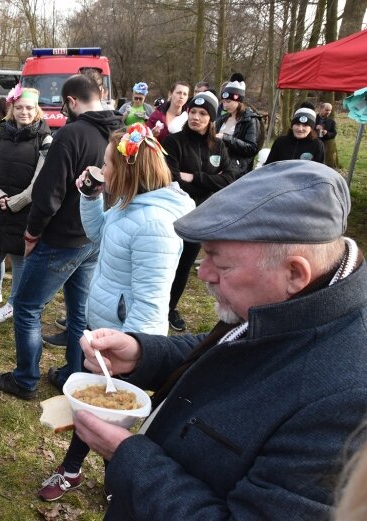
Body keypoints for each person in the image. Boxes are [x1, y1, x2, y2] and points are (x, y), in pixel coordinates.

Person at [72, 160, 367, 520]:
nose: (204, 274)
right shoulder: (303, 302)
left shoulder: (349, 402)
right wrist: (142, 354)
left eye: (221, 264)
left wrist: (129, 458)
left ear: (294, 272)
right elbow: (235, 348)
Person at [38, 123, 194, 502]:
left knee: (108, 416)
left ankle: (109, 482)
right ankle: (82, 473)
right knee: (89, 407)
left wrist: (132, 354)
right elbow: (98, 234)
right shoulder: (130, 205)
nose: (101, 170)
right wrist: (91, 197)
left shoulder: (155, 224)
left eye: (106, 166)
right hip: (105, 331)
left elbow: (151, 300)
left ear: (126, 171)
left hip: (127, 341)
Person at [0, 74, 123, 399]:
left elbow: (48, 193)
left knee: (26, 305)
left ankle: (25, 379)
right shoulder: (119, 134)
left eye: (65, 105)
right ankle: (73, 374)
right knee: (79, 312)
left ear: (72, 102)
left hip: (62, 239)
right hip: (93, 237)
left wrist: (32, 233)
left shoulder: (71, 134)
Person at [0, 86, 52, 324]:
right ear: (12, 108)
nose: (24, 112)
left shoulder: (45, 139)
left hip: (22, 209)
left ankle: (13, 303)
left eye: (29, 108)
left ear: (36, 109)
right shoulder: (0, 133)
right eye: (19, 107)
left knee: (18, 258)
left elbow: (40, 180)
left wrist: (16, 202)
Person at [163, 90, 238, 332]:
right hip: (173, 213)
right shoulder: (173, 143)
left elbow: (229, 178)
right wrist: (208, 179)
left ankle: (170, 307)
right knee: (165, 262)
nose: (196, 117)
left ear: (211, 118)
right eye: (192, 112)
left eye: (203, 113)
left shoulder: (218, 146)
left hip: (201, 214)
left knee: (185, 264)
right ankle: (156, 303)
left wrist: (195, 176)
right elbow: (172, 180)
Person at [215, 74, 262, 175]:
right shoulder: (222, 119)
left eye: (228, 101)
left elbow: (251, 148)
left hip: (236, 172)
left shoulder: (250, 120)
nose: (225, 105)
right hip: (217, 167)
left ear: (239, 101)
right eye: (223, 102)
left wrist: (225, 137)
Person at [316, 101, 338, 168]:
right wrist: (315, 128)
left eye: (330, 110)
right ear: (320, 109)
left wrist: (326, 133)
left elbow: (334, 134)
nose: (328, 112)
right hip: (309, 142)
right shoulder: (313, 118)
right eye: (326, 110)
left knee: (319, 162)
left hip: (322, 144)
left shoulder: (331, 122)